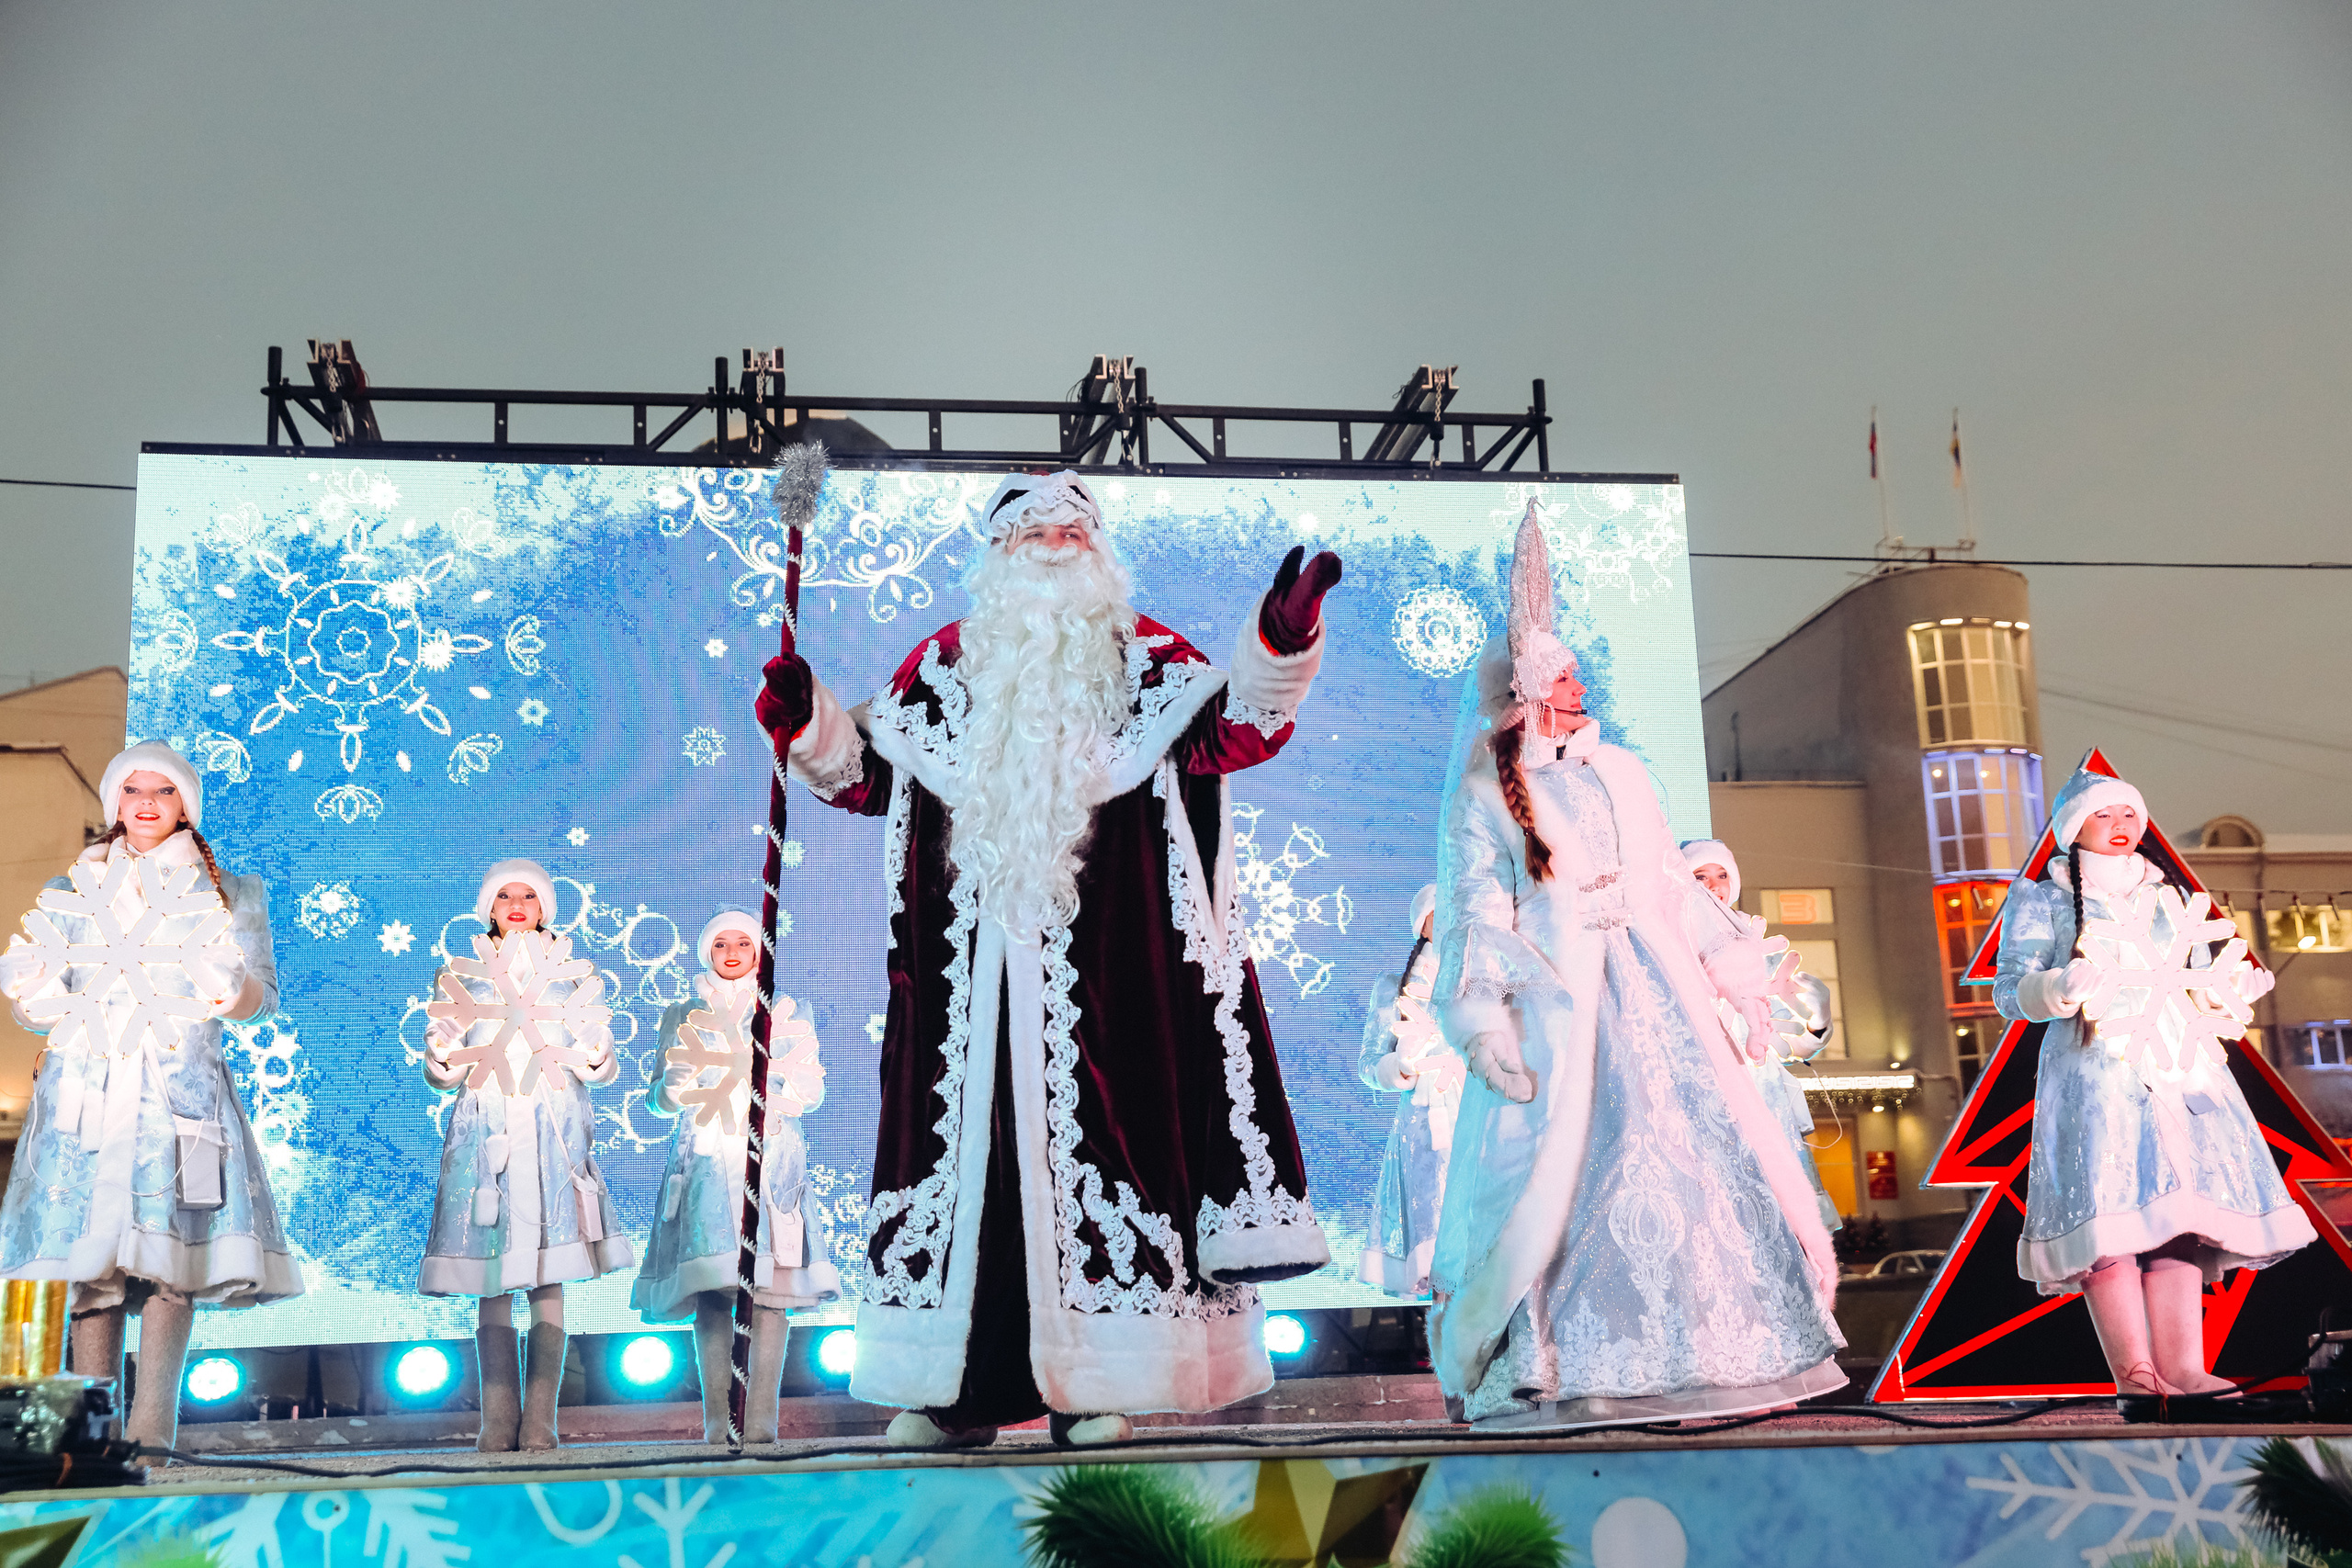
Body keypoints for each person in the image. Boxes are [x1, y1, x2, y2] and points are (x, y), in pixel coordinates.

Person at [757, 470, 1340, 1449]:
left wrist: (1283, 636)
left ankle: (1094, 1388)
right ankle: (952, 1395)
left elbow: (1235, 731)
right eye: (1032, 530)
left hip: (1112, 985)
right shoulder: (940, 671)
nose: (1054, 542)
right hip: (965, 987)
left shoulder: (1150, 663)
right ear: (997, 554)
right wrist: (807, 718)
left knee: (1102, 1159)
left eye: (1073, 530)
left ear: (1099, 548)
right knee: (967, 1174)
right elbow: (862, 779)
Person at [1426, 504, 1844, 1430]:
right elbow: (1474, 909)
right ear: (1526, 695)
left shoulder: (1622, 773)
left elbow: (1668, 884)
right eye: (1562, 675)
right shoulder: (1487, 795)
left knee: (1690, 1151)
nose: (1580, 684)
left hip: (1654, 990)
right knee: (1564, 1171)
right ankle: (1558, 1356)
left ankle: (1699, 1348)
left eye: (1574, 672)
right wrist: (1485, 1022)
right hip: (1560, 999)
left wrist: (1730, 962)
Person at [0, 741, 302, 1456]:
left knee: (174, 1264)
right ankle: (89, 1439)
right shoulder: (74, 886)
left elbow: (260, 992)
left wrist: (232, 992)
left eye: (161, 791)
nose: (144, 802)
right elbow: (39, 1004)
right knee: (89, 1269)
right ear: (114, 803)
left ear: (184, 805)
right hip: (87, 1099)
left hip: (179, 1097)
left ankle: (154, 1434)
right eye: (131, 789)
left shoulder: (232, 891)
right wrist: (33, 991)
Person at [1994, 764, 2313, 1417]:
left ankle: (2185, 1369)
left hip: (2181, 1066)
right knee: (2110, 1224)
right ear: (2073, 826)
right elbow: (2010, 989)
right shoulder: (2044, 898)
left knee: (2180, 1224)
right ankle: (2137, 1377)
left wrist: (2230, 988)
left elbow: (2196, 974)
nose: (2122, 828)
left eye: (2130, 815)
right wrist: (2056, 987)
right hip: (2096, 1075)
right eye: (2105, 815)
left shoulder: (2167, 895)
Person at [419, 858, 631, 1451]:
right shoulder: (460, 974)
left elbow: (599, 1057)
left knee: (546, 1275)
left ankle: (541, 1418)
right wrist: (439, 1058)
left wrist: (595, 1053)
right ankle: (496, 1416)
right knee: (492, 1276)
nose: (516, 905)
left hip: (551, 1135)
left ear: (544, 909)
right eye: (505, 896)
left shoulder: (571, 975)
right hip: (487, 1135)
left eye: (529, 897)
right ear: (488, 907)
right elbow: (442, 1061)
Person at [631, 909, 840, 1443]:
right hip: (705, 1164)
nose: (730, 953)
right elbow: (658, 1099)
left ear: (758, 950)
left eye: (742, 943)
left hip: (769, 1164)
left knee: (769, 1290)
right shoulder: (683, 1011)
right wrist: (677, 1082)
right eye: (720, 943)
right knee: (712, 1289)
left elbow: (810, 1092)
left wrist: (767, 1089)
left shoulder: (787, 1010)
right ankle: (716, 1423)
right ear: (706, 952)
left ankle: (762, 1421)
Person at [1680, 840, 1842, 1233]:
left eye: (1722, 876)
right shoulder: (1671, 956)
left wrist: (1818, 1018)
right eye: (1700, 876)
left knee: (1784, 1234)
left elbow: (1787, 1047)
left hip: (1768, 1116)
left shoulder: (1757, 952)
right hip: (1702, 1116)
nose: (1713, 886)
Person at [1356, 884, 1464, 1299]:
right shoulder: (1392, 986)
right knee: (1435, 1251)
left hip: (1474, 1116)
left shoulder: (1481, 979)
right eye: (1443, 912)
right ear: (1424, 924)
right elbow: (1368, 1061)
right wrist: (1393, 1068)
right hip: (1422, 1130)